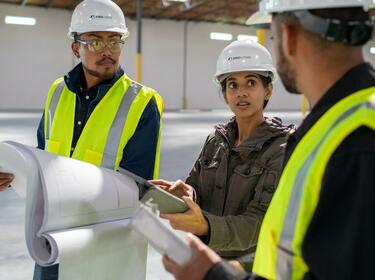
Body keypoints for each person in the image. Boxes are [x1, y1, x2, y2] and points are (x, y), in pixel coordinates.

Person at [161, 0, 375, 279]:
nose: (241, 93)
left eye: (272, 35)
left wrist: (215, 274)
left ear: (288, 35)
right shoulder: (336, 127)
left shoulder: (355, 142)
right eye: (233, 85)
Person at [0, 0, 163, 279]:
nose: (108, 51)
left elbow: (136, 188)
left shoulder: (142, 102)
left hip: (103, 242)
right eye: (96, 42)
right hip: (52, 238)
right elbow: (42, 160)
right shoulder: (57, 92)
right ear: (76, 47)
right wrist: (15, 174)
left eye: (115, 41)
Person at [153, 39, 293, 272]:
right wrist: (187, 194)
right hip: (205, 262)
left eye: (251, 82)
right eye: (232, 85)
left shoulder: (280, 148)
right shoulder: (217, 141)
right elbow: (196, 186)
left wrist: (206, 226)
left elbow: (260, 223)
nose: (241, 93)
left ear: (268, 89)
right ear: (225, 93)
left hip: (248, 269)